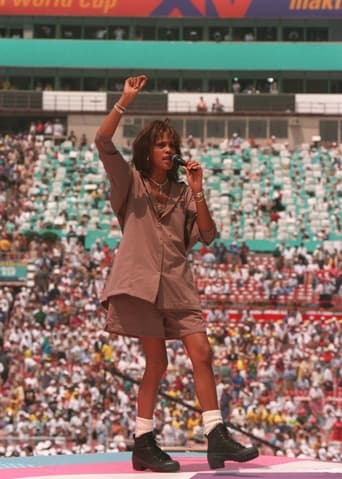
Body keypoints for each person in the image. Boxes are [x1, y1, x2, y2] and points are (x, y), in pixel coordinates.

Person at [95, 75, 258, 473]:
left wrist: (198, 189)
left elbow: (207, 234)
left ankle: (215, 435)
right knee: (158, 364)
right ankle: (144, 441)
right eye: (162, 145)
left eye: (172, 145)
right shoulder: (129, 182)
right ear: (147, 151)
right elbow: (102, 142)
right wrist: (125, 101)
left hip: (178, 285)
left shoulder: (184, 191)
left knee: (202, 353)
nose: (169, 150)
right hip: (142, 286)